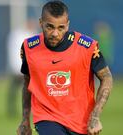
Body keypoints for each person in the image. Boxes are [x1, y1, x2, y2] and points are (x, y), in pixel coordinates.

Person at [17, 1, 113, 135]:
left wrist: (95, 116)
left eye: (61, 28)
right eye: (49, 27)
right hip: (46, 118)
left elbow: (106, 77)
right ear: (41, 23)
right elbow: (27, 82)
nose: (55, 33)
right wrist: (25, 119)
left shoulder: (87, 47)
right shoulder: (29, 48)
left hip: (81, 122)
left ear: (67, 25)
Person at [6, 20, 36, 117]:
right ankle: (14, 110)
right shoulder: (20, 35)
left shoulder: (28, 35)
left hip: (23, 68)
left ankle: (17, 110)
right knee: (25, 90)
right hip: (21, 68)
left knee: (20, 90)